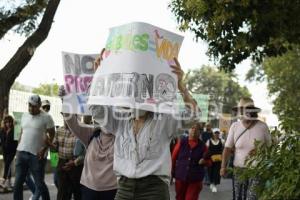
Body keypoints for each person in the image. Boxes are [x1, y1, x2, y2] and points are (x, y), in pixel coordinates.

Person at [91, 49, 199, 200]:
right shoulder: (119, 120)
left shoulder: (165, 120)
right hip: (124, 188)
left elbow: (194, 115)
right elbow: (96, 109)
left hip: (154, 189)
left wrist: (180, 85)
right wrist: (98, 78)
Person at [220, 97, 271, 200]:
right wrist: (223, 167)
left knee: (252, 197)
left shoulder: (263, 126)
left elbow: (271, 147)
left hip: (257, 170)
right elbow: (227, 149)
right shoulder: (235, 126)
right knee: (239, 197)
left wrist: (261, 150)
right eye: (242, 110)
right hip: (239, 170)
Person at [13, 94, 55, 200]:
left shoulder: (46, 117)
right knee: (17, 183)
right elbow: (22, 133)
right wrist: (18, 149)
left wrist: (44, 149)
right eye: (30, 105)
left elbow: (52, 134)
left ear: (39, 105)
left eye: (34, 106)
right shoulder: (24, 115)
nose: (31, 108)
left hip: (37, 155)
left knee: (39, 183)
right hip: (21, 153)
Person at [171, 122, 211, 200]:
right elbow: (173, 158)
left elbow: (210, 162)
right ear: (189, 130)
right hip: (180, 177)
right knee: (179, 198)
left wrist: (204, 162)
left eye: (196, 129)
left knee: (190, 198)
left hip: (195, 179)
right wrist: (172, 172)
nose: (194, 130)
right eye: (192, 128)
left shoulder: (203, 146)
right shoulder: (182, 142)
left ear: (200, 132)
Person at [48, 118, 85, 200]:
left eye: (68, 117)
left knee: (77, 192)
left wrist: (74, 162)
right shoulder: (59, 130)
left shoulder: (81, 131)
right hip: (62, 163)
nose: (65, 120)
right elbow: (55, 148)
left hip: (76, 165)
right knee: (62, 193)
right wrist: (49, 143)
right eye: (64, 117)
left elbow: (86, 153)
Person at [0, 115, 18, 189]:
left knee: (7, 163)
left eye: (10, 122)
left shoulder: (14, 130)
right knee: (8, 165)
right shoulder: (2, 130)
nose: (8, 124)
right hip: (4, 150)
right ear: (4, 123)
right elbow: (1, 140)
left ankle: (3, 180)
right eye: (6, 122)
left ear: (12, 122)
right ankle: (9, 182)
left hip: (12, 151)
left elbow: (16, 142)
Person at [207, 128, 223, 193]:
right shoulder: (209, 141)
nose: (216, 134)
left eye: (217, 133)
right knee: (210, 171)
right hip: (211, 160)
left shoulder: (222, 141)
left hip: (218, 159)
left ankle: (214, 185)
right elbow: (206, 150)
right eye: (215, 133)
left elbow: (224, 150)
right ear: (213, 134)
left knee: (216, 173)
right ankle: (211, 183)